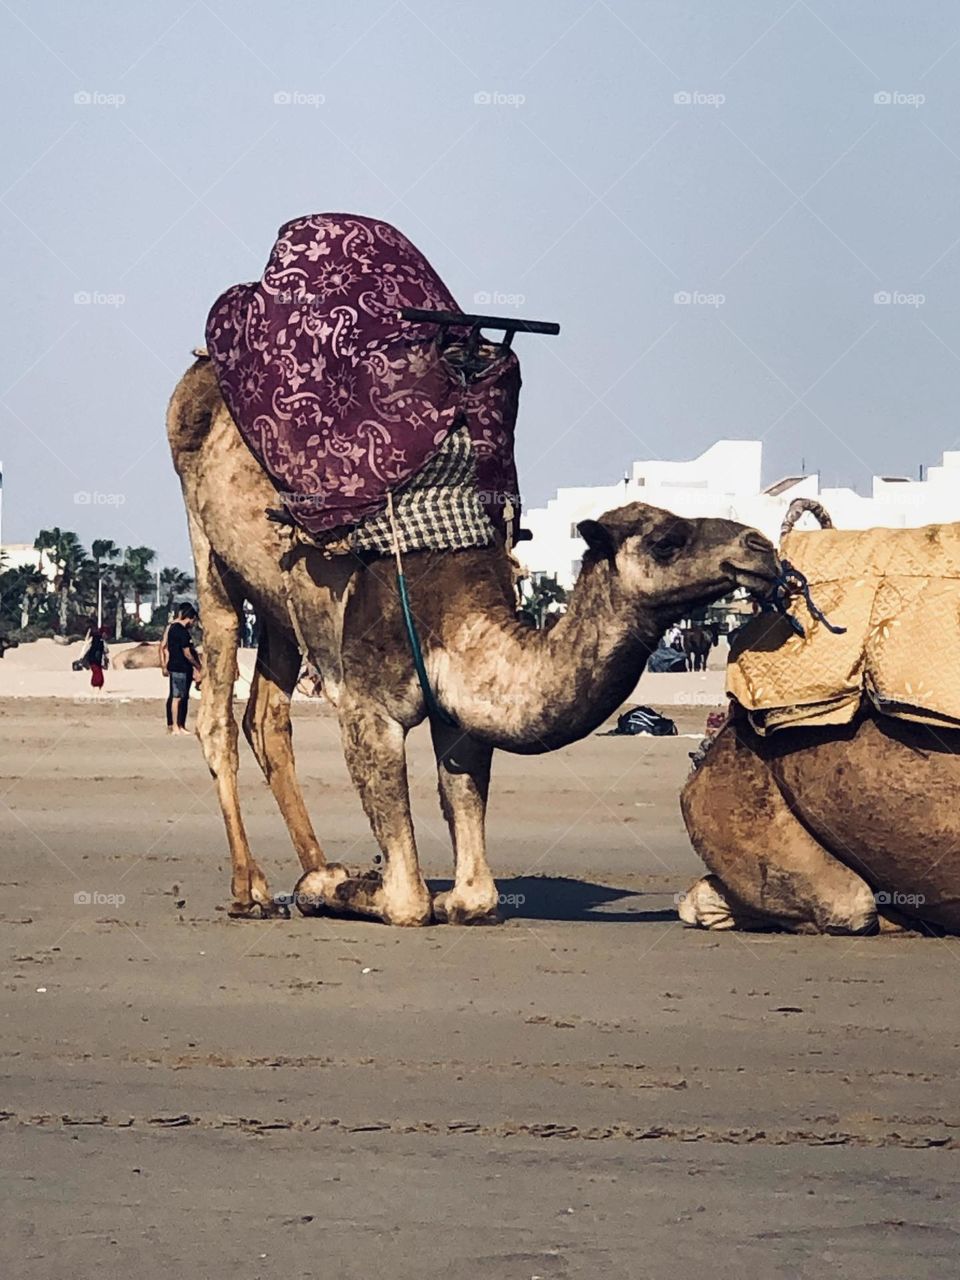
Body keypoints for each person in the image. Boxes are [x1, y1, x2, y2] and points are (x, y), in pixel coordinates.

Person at [160, 602, 202, 735]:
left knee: (182, 697)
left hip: (179, 667)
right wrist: (197, 665)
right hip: (179, 667)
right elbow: (187, 652)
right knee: (176, 697)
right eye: (193, 620)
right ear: (190, 618)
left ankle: (179, 725)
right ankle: (174, 726)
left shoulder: (173, 629)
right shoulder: (181, 631)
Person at [84, 626, 108, 692]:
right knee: (97, 673)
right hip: (95, 660)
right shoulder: (98, 640)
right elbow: (102, 650)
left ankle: (98, 688)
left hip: (95, 660)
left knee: (98, 673)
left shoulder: (97, 639)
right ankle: (96, 688)